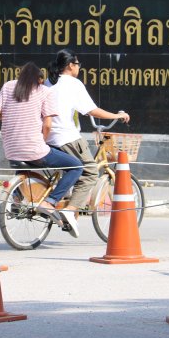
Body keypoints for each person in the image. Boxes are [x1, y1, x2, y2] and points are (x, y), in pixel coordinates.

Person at [0, 61, 82, 237]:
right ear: (39, 79)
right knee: (76, 166)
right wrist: (43, 141)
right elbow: (47, 125)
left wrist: (13, 114)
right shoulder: (44, 91)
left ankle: (17, 199)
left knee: (25, 163)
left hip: (11, 149)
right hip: (34, 148)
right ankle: (50, 201)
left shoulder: (8, 86)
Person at [46, 49, 130, 225]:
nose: (79, 67)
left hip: (47, 137)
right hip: (66, 137)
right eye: (78, 64)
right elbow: (92, 110)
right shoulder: (73, 84)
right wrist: (116, 116)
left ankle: (65, 200)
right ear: (71, 65)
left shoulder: (48, 82)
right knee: (90, 172)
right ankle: (70, 210)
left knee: (72, 168)